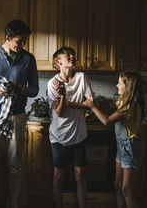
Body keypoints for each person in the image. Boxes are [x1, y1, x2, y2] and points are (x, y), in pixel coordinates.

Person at [0, 19, 39, 208]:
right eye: (19, 41)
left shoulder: (29, 59)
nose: (22, 45)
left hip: (17, 115)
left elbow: (34, 89)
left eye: (24, 41)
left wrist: (22, 90)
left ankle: (13, 205)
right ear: (8, 37)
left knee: (14, 165)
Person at [84, 72, 145, 208]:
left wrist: (92, 106)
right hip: (122, 147)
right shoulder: (121, 101)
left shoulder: (130, 106)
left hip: (131, 148)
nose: (117, 85)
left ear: (128, 86)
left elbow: (106, 120)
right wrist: (94, 104)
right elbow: (105, 109)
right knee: (117, 186)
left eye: (120, 83)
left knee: (126, 190)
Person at [48, 46, 93, 208]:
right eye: (68, 55)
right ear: (58, 61)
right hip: (58, 136)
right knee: (58, 174)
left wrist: (67, 102)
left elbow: (90, 104)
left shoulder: (82, 77)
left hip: (79, 134)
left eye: (73, 54)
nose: (72, 56)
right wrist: (62, 96)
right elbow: (59, 113)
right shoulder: (53, 83)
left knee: (80, 174)